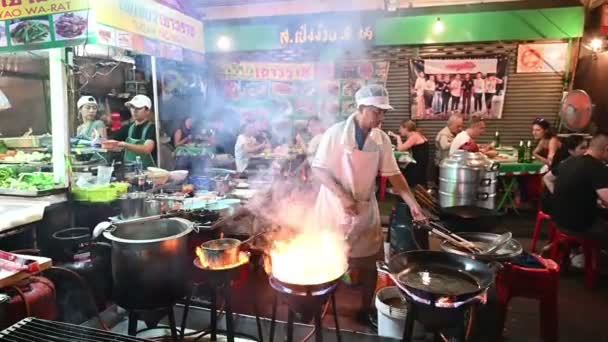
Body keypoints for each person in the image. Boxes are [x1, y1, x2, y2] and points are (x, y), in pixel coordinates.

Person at [312, 84, 425, 323]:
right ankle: (319, 302)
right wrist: (343, 196)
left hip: (364, 207)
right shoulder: (335, 133)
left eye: (384, 112)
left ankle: (367, 310)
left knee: (369, 261)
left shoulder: (381, 138)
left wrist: (414, 205)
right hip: (333, 206)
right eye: (376, 111)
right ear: (360, 108)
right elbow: (319, 169)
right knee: (326, 258)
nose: (381, 117)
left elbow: (394, 175)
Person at [552, 133, 608, 244]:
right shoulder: (597, 167)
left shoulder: (568, 161)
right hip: (578, 226)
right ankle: (590, 257)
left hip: (558, 221)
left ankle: (577, 253)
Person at [112, 95, 157, 168]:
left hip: (148, 172)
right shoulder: (127, 128)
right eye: (132, 107)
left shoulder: (152, 128)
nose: (134, 110)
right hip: (129, 171)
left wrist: (125, 145)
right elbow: (111, 141)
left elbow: (147, 149)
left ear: (147, 111)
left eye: (138, 108)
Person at [388, 120, 429, 188]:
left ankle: (407, 192)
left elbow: (400, 149)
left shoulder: (414, 136)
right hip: (420, 162)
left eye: (400, 128)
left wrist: (398, 138)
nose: (399, 130)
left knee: (406, 173)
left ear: (406, 128)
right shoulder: (416, 134)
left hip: (418, 163)